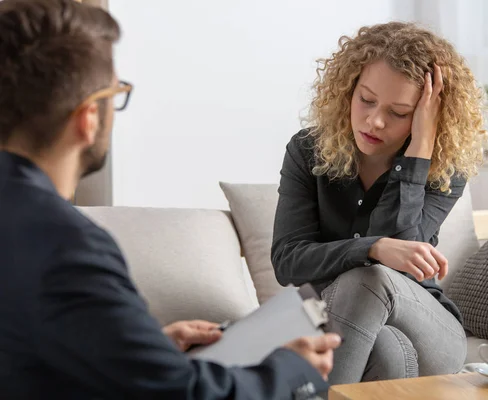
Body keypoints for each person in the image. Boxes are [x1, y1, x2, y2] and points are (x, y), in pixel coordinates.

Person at [0, 0, 341, 398]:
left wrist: (150, 349)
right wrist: (290, 369)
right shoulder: (67, 248)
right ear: (88, 118)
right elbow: (182, 395)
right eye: (116, 92)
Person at [271, 21, 487, 384]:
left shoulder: (444, 169)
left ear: (426, 117)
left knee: (370, 279)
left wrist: (418, 151)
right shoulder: (307, 150)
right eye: (366, 100)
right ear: (348, 90)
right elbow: (287, 261)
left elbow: (397, 269)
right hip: (330, 321)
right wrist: (374, 248)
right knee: (385, 349)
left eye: (399, 113)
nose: (374, 121)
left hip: (428, 330)